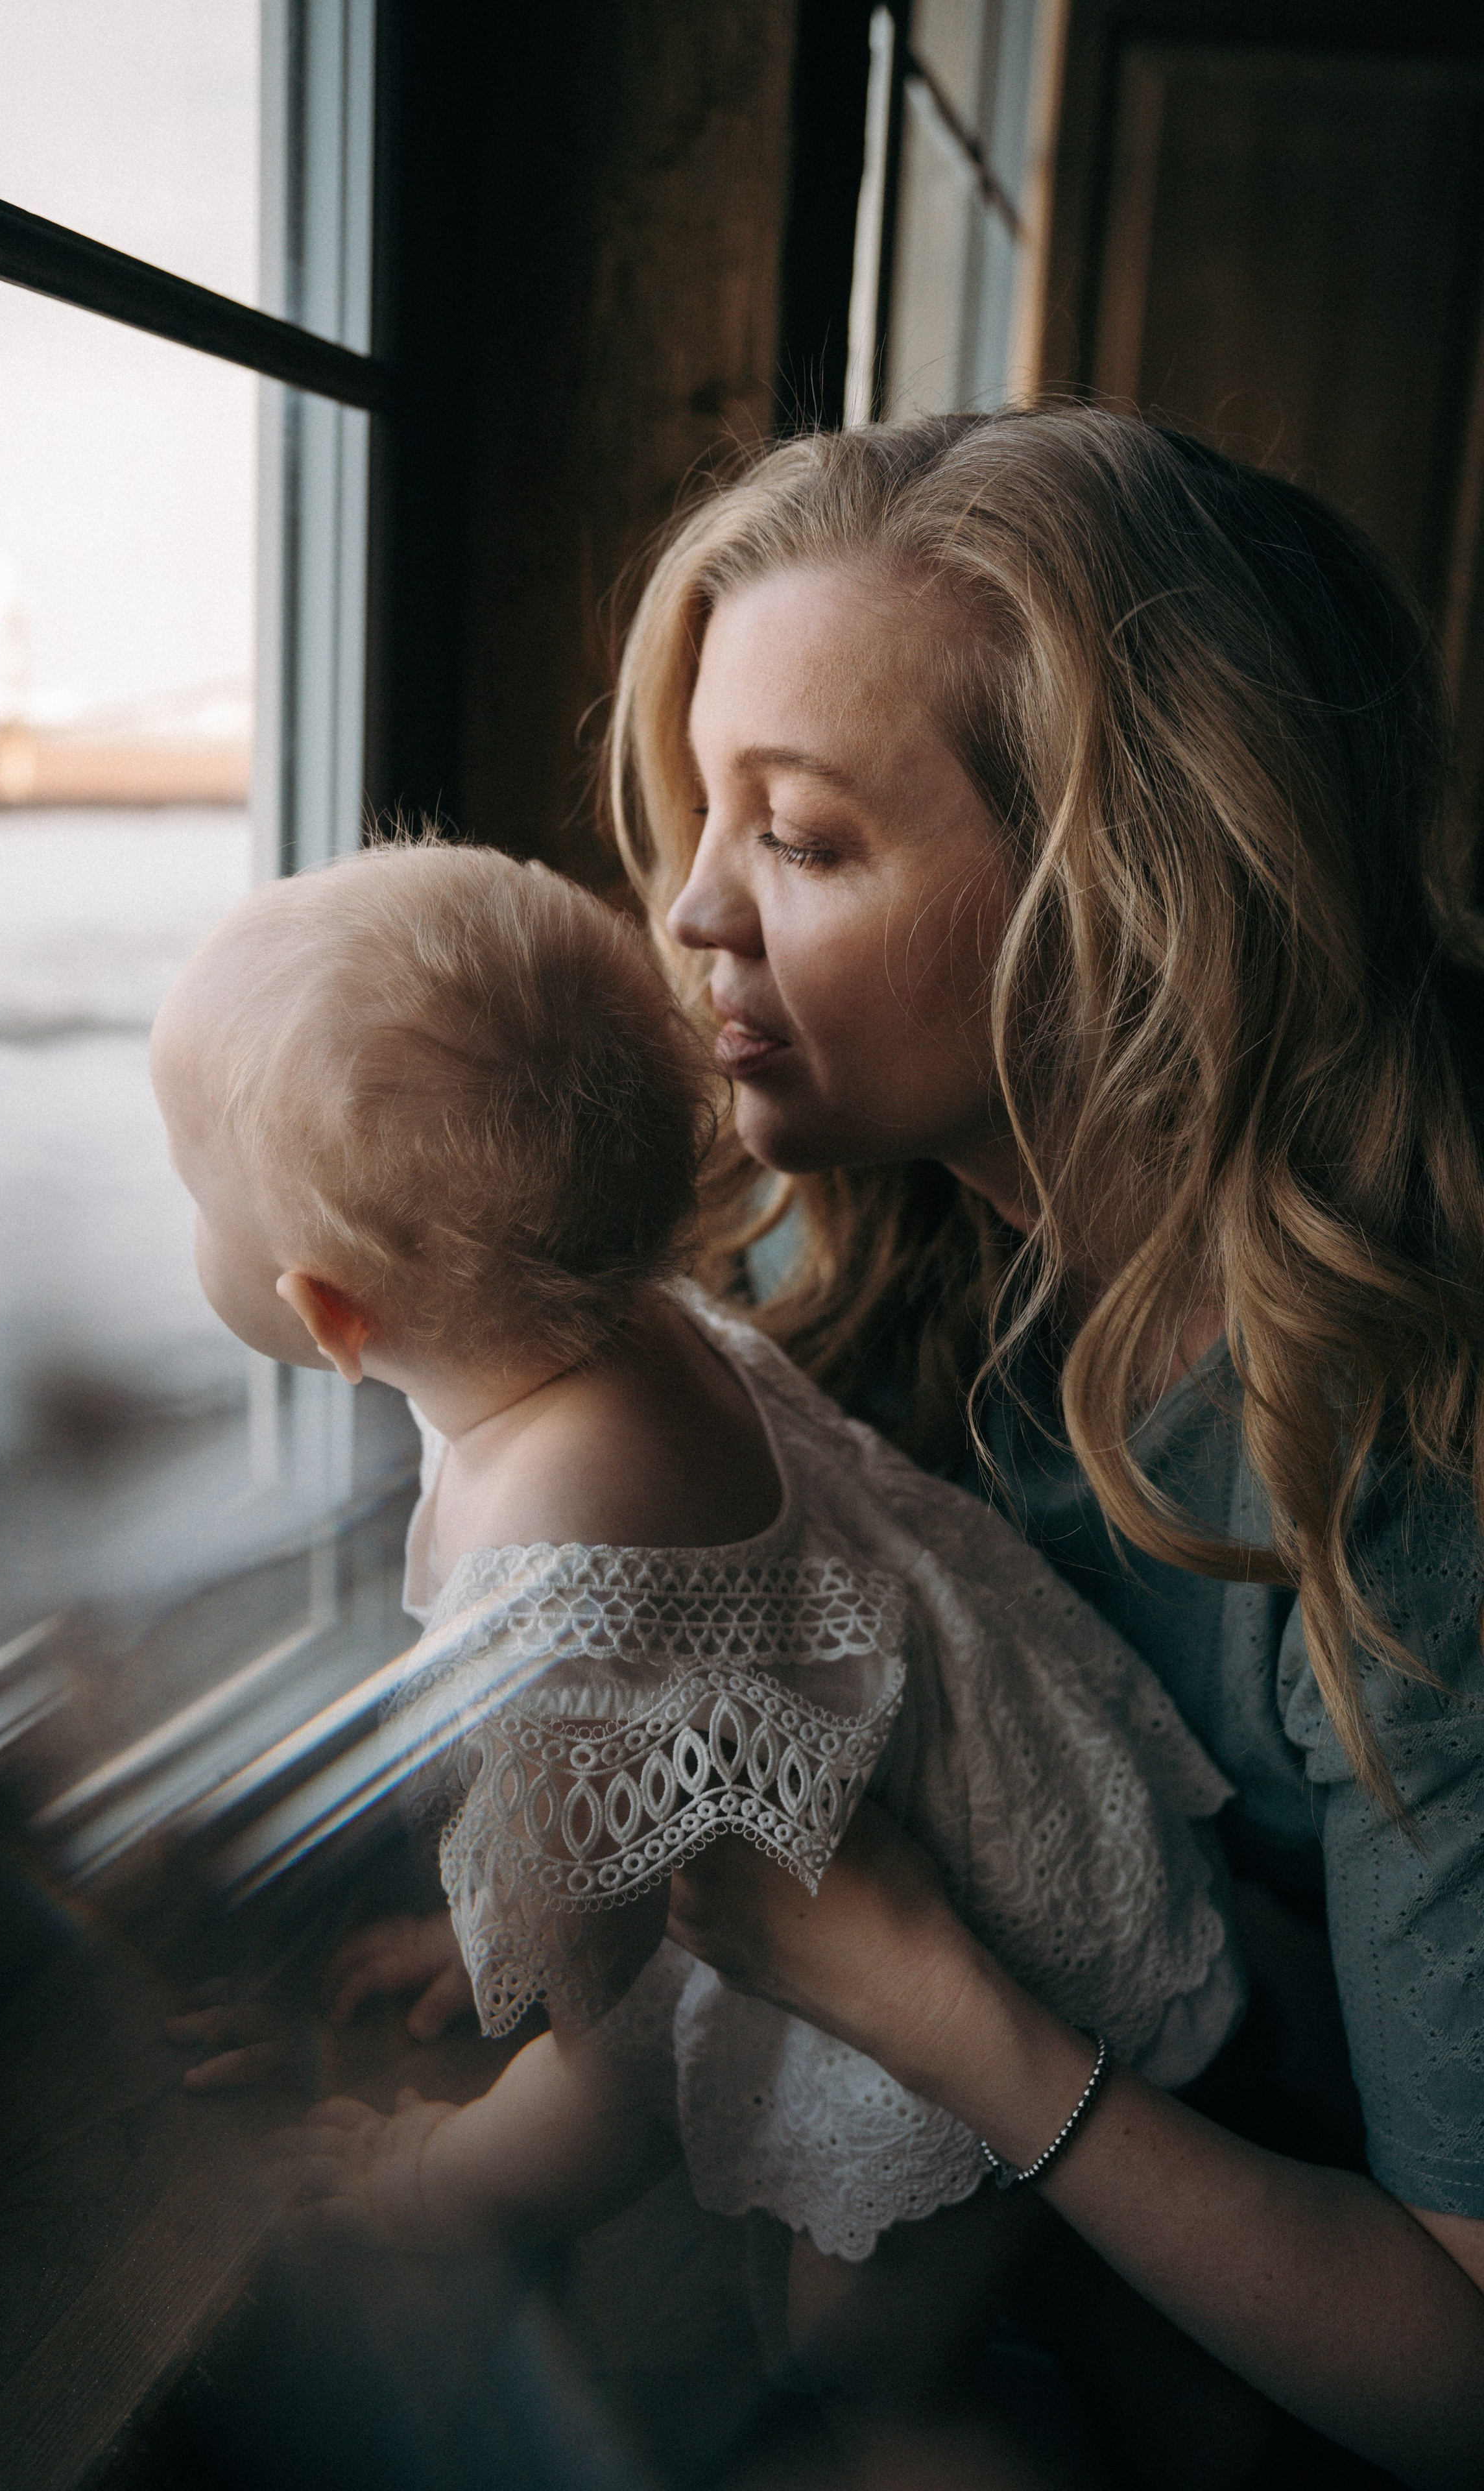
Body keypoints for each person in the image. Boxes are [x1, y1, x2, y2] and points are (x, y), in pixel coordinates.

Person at [582, 406, 1484, 2487]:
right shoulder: (897, 1257)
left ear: (1129, 893)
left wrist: (944, 2018)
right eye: (701, 815)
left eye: (802, 840)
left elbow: (1459, 2375)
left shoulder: (1412, 1469)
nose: (695, 909)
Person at [150, 835, 1247, 2472]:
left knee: (864, 2359)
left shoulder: (545, 1584)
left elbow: (619, 2084)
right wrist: (504, 1925)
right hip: (965, 1798)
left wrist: (419, 2183)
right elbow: (663, 1775)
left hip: (952, 1959)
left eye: (189, 1191)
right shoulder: (612, 1321)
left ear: (329, 1316)